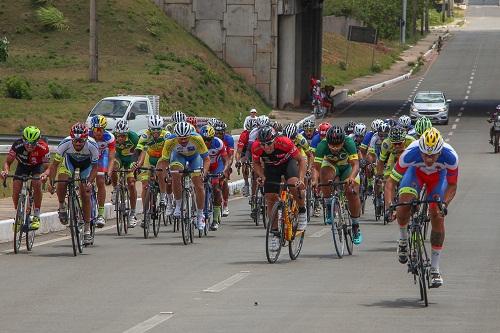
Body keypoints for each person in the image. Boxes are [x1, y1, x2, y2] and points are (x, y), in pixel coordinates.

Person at [386, 128, 458, 288]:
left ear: (440, 151)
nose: (429, 159)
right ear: (420, 150)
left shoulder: (451, 156)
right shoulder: (410, 153)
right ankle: (403, 239)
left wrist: (444, 204)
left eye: (433, 155)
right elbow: (390, 182)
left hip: (438, 179)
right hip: (415, 175)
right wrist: (389, 205)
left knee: (437, 215)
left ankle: (435, 268)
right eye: (425, 155)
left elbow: (452, 185)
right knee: (403, 205)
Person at [40, 123, 99, 245]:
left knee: (86, 194)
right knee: (62, 182)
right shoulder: (64, 144)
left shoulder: (93, 146)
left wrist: (89, 182)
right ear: (71, 138)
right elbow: (55, 165)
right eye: (75, 141)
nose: (77, 143)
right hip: (70, 162)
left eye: (81, 141)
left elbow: (95, 168)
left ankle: (87, 229)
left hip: (86, 166)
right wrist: (51, 182)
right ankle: (62, 206)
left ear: (86, 139)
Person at [251, 126, 307, 251]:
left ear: (275, 140)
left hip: (288, 164)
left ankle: (302, 210)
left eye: (269, 143)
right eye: (263, 144)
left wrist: (301, 180)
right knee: (270, 197)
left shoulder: (285, 142)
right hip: (271, 167)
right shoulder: (256, 146)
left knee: (293, 183)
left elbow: (302, 160)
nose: (266, 147)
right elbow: (256, 163)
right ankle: (275, 234)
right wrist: (262, 176)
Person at [313, 125, 363, 245]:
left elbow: (355, 164)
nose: (335, 148)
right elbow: (316, 168)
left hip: (348, 166)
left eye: (338, 145)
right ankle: (329, 204)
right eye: (332, 145)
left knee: (351, 192)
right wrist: (315, 180)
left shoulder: (349, 142)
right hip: (331, 165)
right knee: (324, 174)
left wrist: (351, 177)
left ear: (343, 142)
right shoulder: (322, 145)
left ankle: (355, 225)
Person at [162, 122, 211, 230]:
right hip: (178, 157)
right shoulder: (170, 140)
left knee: (198, 185)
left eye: (186, 138)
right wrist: (167, 173)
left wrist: (204, 173)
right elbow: (164, 160)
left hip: (195, 157)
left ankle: (200, 215)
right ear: (176, 136)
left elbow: (207, 159)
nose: (183, 141)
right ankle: (178, 205)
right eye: (181, 138)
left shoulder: (197, 138)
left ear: (190, 135)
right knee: (175, 175)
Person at [1, 126, 50, 231]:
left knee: (36, 183)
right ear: (22, 139)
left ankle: (36, 215)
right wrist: (5, 171)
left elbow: (47, 168)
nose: (29, 146)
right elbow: (7, 162)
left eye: (32, 143)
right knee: (16, 188)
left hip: (37, 166)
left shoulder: (43, 148)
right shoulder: (17, 145)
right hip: (23, 166)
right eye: (26, 142)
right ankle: (18, 215)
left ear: (37, 141)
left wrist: (45, 175)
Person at [134, 115, 170, 227]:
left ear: (162, 128)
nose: (156, 132)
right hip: (149, 157)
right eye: (153, 130)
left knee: (161, 172)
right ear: (149, 129)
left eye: (158, 130)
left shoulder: (166, 135)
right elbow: (139, 149)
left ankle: (163, 196)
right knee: (145, 184)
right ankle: (145, 215)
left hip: (162, 157)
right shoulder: (146, 134)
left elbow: (172, 151)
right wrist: (137, 164)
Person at [111, 119, 140, 227]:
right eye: (119, 135)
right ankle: (115, 189)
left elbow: (138, 152)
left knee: (131, 184)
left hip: (130, 159)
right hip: (119, 158)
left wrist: (136, 165)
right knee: (113, 167)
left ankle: (132, 213)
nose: (120, 138)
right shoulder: (112, 137)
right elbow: (110, 153)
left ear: (127, 134)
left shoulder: (134, 137)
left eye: (123, 136)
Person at [200, 125, 229, 230]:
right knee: (198, 187)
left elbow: (226, 159)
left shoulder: (218, 143)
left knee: (216, 189)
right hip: (203, 166)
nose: (206, 142)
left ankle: (215, 220)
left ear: (212, 138)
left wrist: (224, 171)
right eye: (204, 139)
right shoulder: (198, 143)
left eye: (208, 140)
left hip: (217, 166)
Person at [89, 115, 116, 228]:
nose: (98, 132)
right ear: (92, 129)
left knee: (100, 180)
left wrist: (108, 174)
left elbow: (111, 158)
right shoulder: (87, 135)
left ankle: (100, 214)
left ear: (104, 129)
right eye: (96, 129)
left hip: (102, 157)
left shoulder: (109, 137)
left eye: (101, 130)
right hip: (89, 157)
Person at [213, 120, 234, 217]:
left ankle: (225, 204)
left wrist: (227, 168)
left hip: (224, 159)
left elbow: (230, 156)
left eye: (221, 133)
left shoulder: (228, 139)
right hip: (213, 159)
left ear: (224, 132)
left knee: (224, 181)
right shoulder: (210, 139)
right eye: (216, 132)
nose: (218, 135)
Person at [235, 118, 255, 197]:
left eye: (252, 131)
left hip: (255, 150)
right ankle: (246, 184)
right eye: (249, 131)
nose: (251, 133)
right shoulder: (244, 135)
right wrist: (237, 161)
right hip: (245, 150)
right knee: (244, 164)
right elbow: (239, 151)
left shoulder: (258, 134)